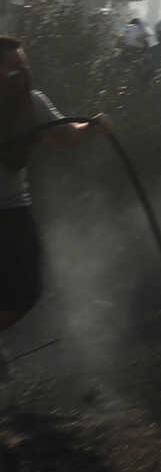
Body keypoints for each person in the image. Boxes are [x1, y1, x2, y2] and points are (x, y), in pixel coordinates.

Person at [0, 36, 112, 341]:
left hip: (11, 210)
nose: (20, 73)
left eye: (22, 66)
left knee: (25, 292)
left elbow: (65, 136)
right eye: (11, 68)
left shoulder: (32, 102)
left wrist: (93, 127)